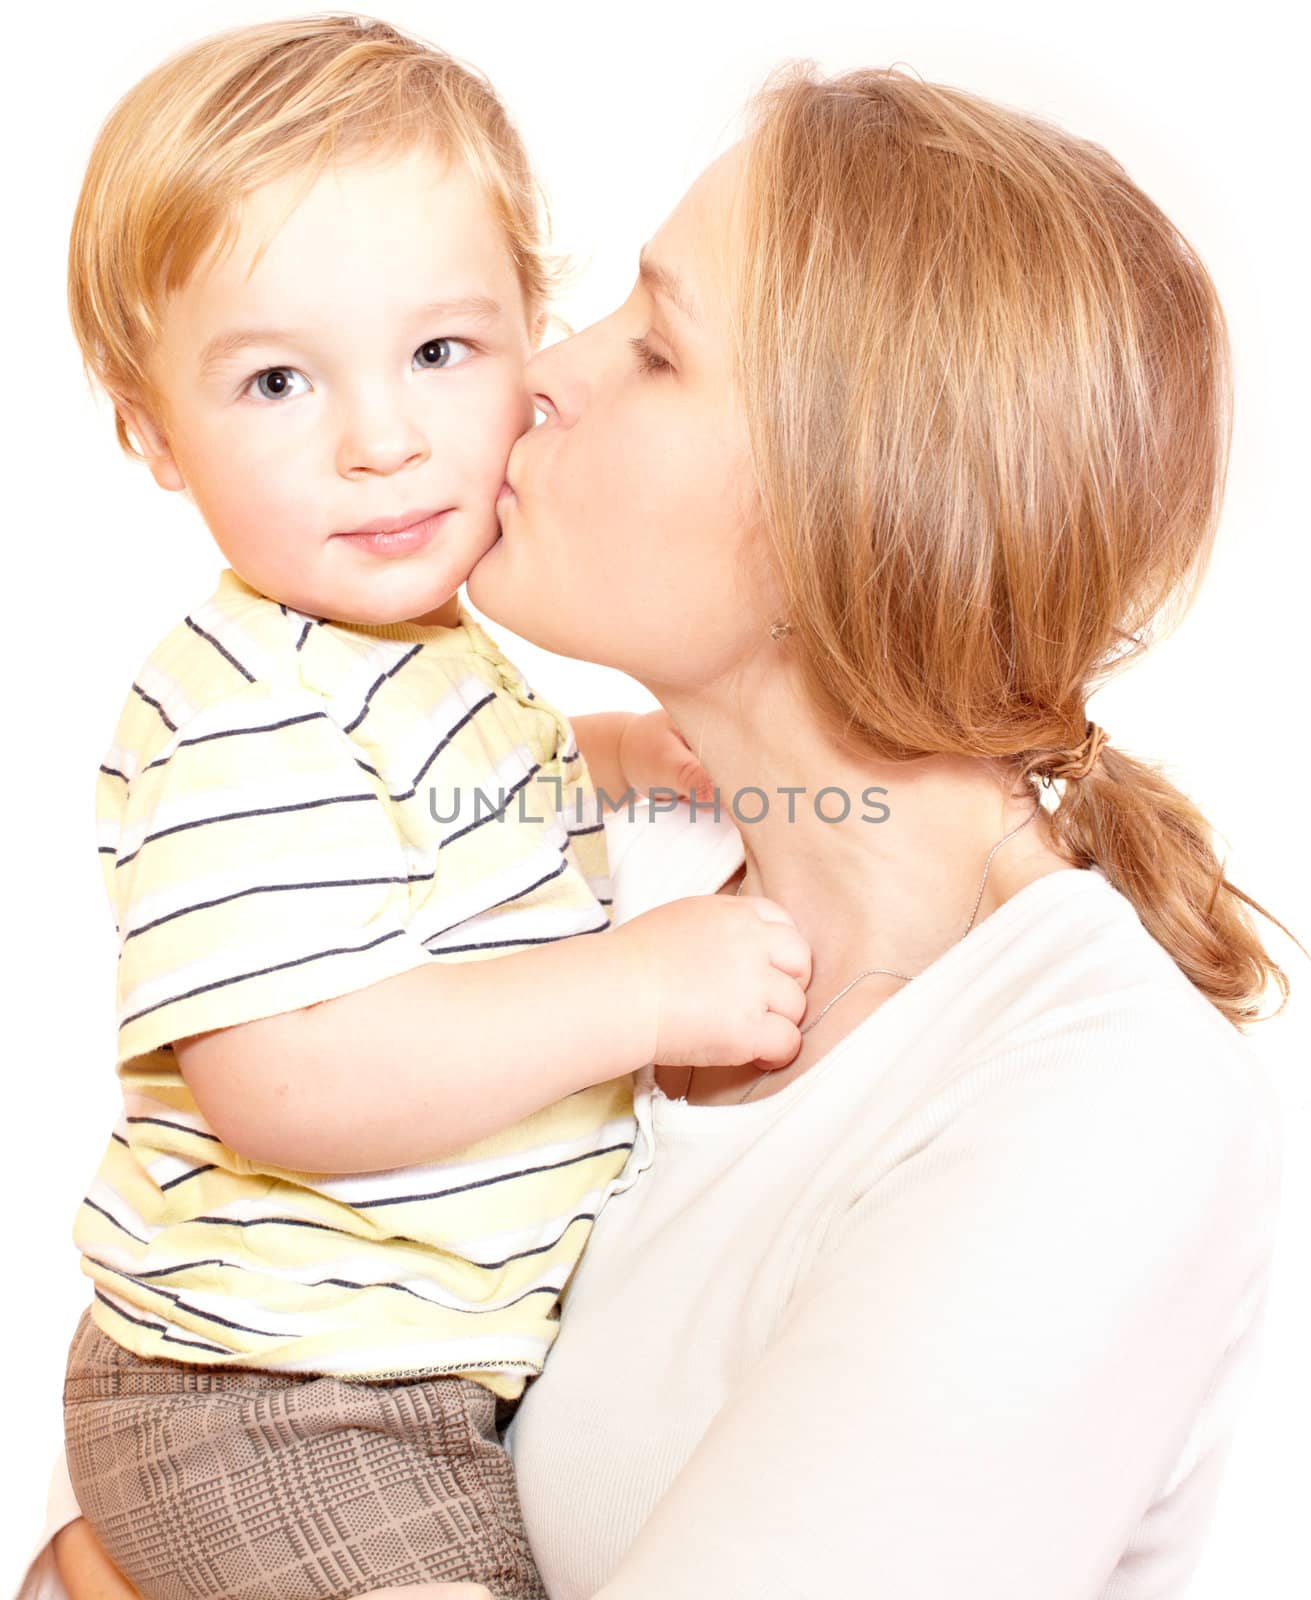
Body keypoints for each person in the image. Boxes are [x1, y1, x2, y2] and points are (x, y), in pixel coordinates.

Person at [34, 57, 1298, 1600]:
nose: (543, 370)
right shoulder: (603, 870)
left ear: (852, 502)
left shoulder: (1098, 1112)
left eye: (655, 348)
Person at [50, 17, 812, 1600]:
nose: (380, 438)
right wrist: (639, 983)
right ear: (149, 429)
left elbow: (431, 828)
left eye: (440, 354)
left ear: (534, 340)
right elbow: (286, 1075)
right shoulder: (248, 707)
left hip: (406, 1379)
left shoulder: (423, 663)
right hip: (267, 1399)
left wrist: (599, 753)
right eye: (275, 380)